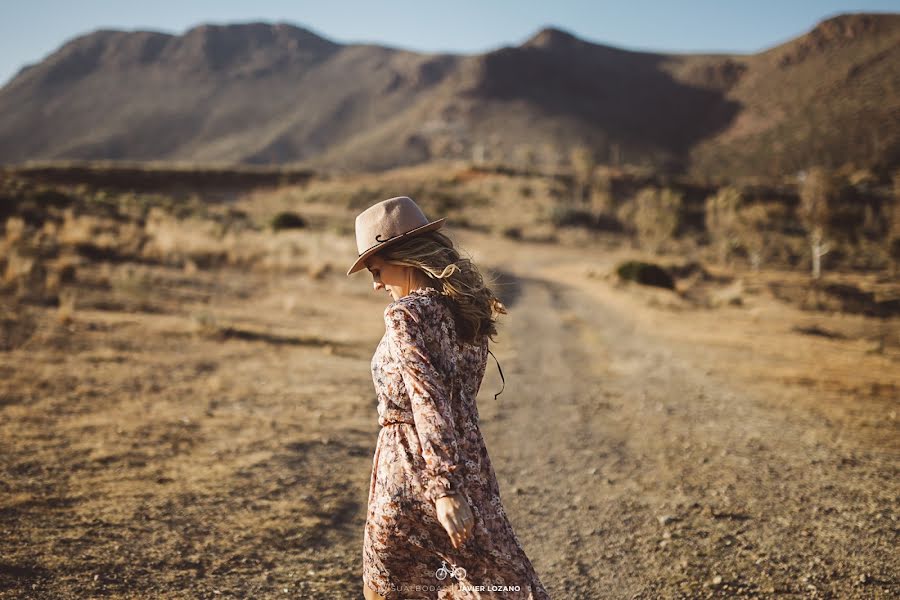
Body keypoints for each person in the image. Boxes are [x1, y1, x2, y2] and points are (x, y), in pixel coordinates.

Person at [347, 196, 551, 599]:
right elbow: (452, 403)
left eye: (377, 270)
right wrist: (455, 484)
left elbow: (429, 399)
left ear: (402, 257)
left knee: (394, 589)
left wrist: (444, 488)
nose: (375, 284)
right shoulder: (461, 311)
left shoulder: (406, 314)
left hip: (410, 470)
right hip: (470, 466)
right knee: (500, 584)